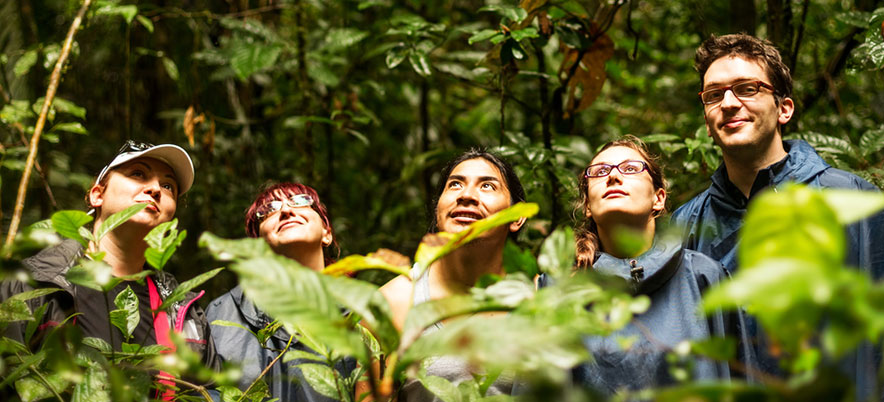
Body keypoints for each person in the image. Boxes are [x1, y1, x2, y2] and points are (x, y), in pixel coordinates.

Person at [670, 33, 884, 398]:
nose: (729, 103)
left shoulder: (850, 199)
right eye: (714, 94)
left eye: (747, 88)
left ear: (785, 109)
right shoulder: (687, 223)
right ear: (705, 116)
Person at [540, 136, 751, 395]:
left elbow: (745, 383)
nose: (613, 177)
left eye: (630, 168)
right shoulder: (561, 286)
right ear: (587, 207)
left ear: (658, 199)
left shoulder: (703, 277)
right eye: (600, 171)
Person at [0, 140, 219, 371]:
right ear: (97, 195)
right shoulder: (33, 284)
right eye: (138, 173)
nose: (155, 189)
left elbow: (210, 390)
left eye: (168, 186)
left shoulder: (184, 312)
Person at [379, 149, 527, 401]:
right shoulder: (394, 301)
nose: (466, 195)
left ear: (517, 217)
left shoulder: (541, 296)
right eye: (455, 184)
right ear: (438, 210)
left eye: (487, 186)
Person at [206, 182, 352, 401]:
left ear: (327, 233)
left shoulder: (362, 311)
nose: (286, 210)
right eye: (269, 210)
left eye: (301, 201)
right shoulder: (222, 314)